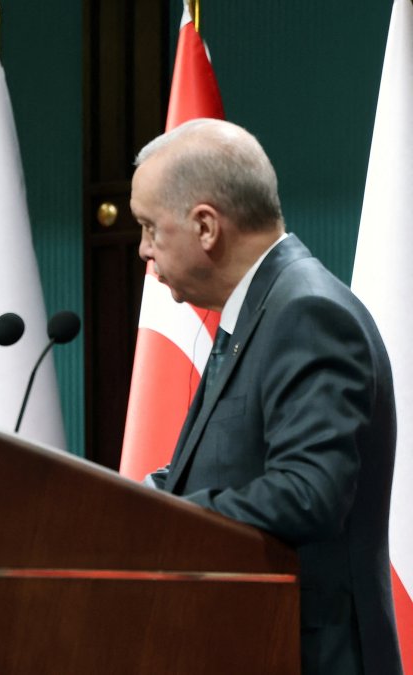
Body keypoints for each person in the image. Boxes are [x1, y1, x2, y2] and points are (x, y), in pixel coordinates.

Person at [134, 119, 401, 674]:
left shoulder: (305, 313)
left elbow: (308, 492)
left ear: (206, 226)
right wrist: (132, 501)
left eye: (149, 228)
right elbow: (227, 469)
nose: (143, 250)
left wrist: (165, 516)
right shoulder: (259, 310)